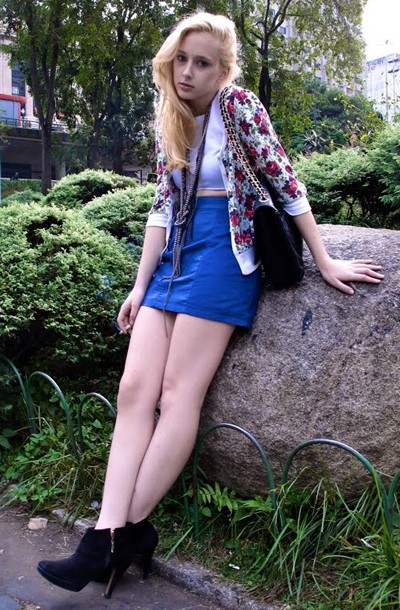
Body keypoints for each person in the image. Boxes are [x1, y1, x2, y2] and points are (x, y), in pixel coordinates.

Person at [37, 11, 384, 598]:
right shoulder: (171, 118)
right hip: (173, 257)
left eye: (202, 63)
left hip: (226, 254)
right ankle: (117, 533)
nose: (188, 72)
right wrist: (139, 286)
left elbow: (286, 181)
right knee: (133, 391)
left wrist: (324, 259)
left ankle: (109, 539)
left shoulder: (239, 107)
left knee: (177, 394)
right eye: (182, 59)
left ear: (223, 71)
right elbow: (161, 206)